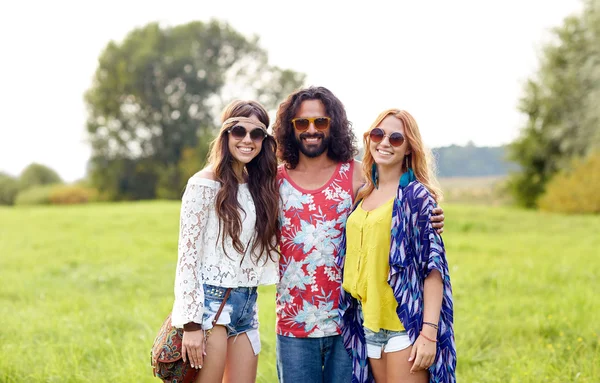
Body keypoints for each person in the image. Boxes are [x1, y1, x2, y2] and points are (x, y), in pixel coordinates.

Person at [272, 87, 446, 383]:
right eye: (302, 123)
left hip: (349, 324)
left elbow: (402, 202)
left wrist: (433, 215)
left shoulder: (355, 175)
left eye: (321, 122)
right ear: (290, 128)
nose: (311, 130)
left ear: (333, 125)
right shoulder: (275, 180)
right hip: (294, 326)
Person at [337, 109, 456, 383]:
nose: (385, 143)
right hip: (367, 324)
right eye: (377, 134)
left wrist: (428, 333)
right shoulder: (363, 194)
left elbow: (433, 270)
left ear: (409, 148)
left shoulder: (416, 196)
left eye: (396, 138)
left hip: (405, 326)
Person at [170, 100, 280, 383]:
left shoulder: (261, 186)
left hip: (247, 305)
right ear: (225, 135)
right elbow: (187, 257)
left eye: (256, 134)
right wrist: (191, 325)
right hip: (210, 307)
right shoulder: (203, 184)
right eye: (239, 131)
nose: (247, 140)